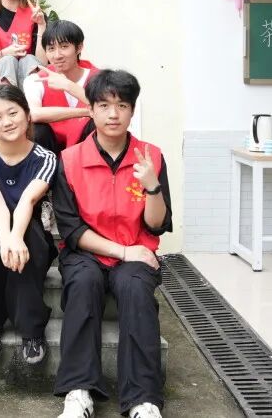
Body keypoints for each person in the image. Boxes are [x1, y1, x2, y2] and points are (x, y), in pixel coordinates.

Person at [53, 70, 172, 418]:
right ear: (90, 110)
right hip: (87, 252)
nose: (113, 114)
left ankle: (144, 400)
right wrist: (121, 251)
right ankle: (78, 391)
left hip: (137, 251)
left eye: (122, 105)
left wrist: (152, 186)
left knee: (135, 288)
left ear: (132, 110)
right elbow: (72, 230)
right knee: (83, 282)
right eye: (104, 105)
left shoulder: (151, 156)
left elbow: (157, 224)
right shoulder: (70, 159)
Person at [0, 84, 58, 365]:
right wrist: (8, 240)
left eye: (13, 113)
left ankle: (30, 330)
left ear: (28, 115)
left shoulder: (46, 158)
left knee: (28, 232)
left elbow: (28, 200)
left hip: (32, 245)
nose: (6, 122)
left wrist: (15, 238)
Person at [23, 20, 98, 154]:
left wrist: (67, 85)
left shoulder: (98, 78)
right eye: (51, 49)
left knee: (97, 123)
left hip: (85, 148)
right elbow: (33, 114)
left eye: (64, 46)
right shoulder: (35, 79)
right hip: (51, 147)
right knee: (36, 129)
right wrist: (86, 112)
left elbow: (106, 107)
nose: (57, 55)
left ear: (79, 48)